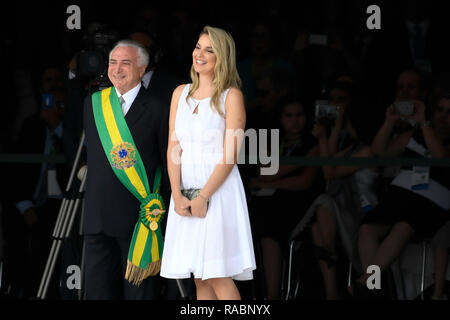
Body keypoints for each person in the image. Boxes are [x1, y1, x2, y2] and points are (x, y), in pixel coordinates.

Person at [160, 25, 256, 300]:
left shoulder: (231, 96)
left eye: (209, 50)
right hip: (185, 191)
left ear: (222, 57)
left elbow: (230, 154)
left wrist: (204, 195)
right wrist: (176, 194)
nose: (200, 54)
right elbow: (173, 147)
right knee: (200, 277)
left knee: (217, 274)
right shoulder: (180, 93)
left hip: (218, 191)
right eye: (198, 47)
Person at [82, 39, 170, 299]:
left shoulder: (159, 109)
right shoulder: (93, 104)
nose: (117, 69)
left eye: (126, 63)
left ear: (142, 69)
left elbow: (167, 164)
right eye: (112, 62)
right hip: (97, 218)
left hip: (139, 223)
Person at [356, 93, 450, 299]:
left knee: (403, 225)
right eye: (440, 110)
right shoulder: (413, 135)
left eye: (449, 112)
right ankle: (375, 290)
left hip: (431, 202)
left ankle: (366, 283)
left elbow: (440, 155)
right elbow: (380, 151)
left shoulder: (428, 132)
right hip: (400, 196)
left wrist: (424, 123)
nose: (443, 117)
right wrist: (389, 121)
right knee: (367, 228)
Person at [249, 98, 322, 299]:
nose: (294, 121)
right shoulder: (272, 140)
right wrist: (301, 160)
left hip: (297, 204)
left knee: (269, 228)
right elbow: (263, 173)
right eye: (288, 116)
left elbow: (305, 182)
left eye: (299, 115)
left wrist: (270, 181)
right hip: (266, 201)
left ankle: (272, 296)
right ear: (280, 118)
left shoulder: (313, 143)